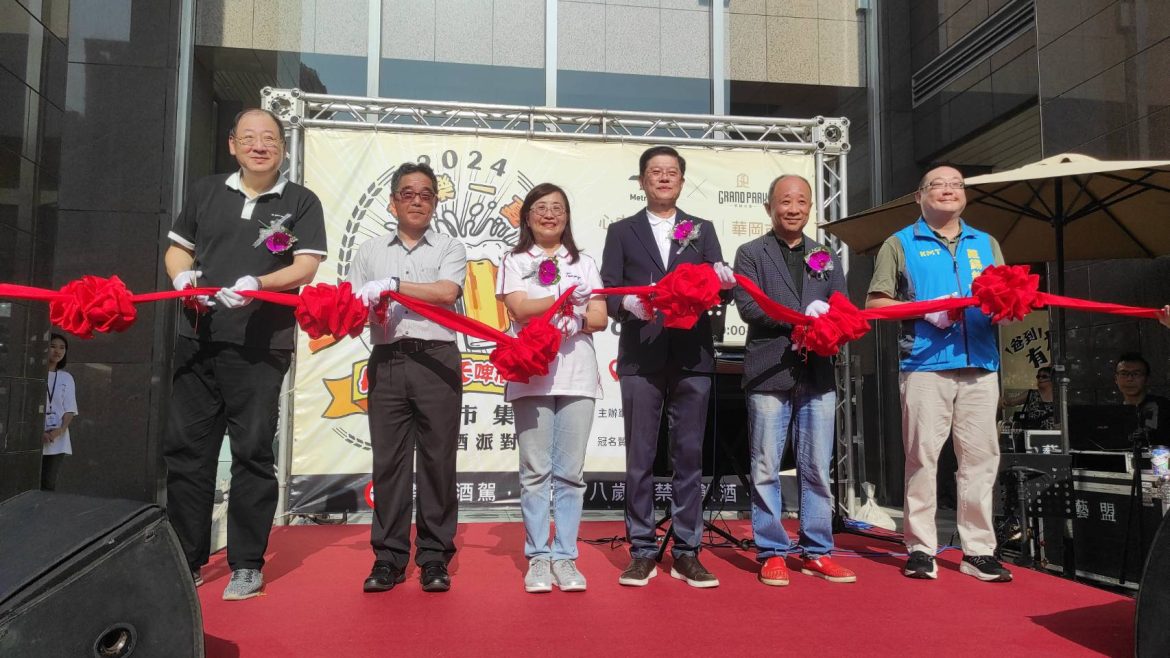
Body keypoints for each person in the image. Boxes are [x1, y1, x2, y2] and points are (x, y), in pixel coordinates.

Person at [163, 108, 327, 600]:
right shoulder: (206, 191)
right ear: (232, 144)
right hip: (198, 338)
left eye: (270, 138)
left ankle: (247, 563)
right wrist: (181, 277)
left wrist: (259, 283)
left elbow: (305, 266)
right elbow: (178, 248)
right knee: (188, 452)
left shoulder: (300, 201)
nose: (260, 146)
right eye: (250, 137)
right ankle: (186, 560)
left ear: (283, 148)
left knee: (252, 452)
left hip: (260, 345)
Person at [865, 164, 1012, 583]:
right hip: (925, 366)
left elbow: (1007, 295)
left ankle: (978, 551)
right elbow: (875, 303)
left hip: (980, 365)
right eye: (937, 185)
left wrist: (1006, 308)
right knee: (922, 459)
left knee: (980, 460)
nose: (948, 190)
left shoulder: (985, 243)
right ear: (919, 196)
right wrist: (926, 311)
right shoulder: (900, 243)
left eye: (956, 184)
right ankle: (920, 547)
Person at [600, 145, 737, 588]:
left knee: (688, 457)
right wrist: (627, 304)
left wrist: (725, 283)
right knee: (639, 457)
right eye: (655, 172)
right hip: (641, 354)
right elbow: (608, 288)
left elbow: (719, 287)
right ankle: (641, 550)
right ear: (642, 180)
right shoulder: (622, 231)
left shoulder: (702, 229)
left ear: (681, 180)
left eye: (671, 172)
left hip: (692, 355)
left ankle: (687, 551)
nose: (663, 178)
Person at [349, 161, 467, 594]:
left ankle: (434, 556)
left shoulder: (450, 247)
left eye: (425, 195)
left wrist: (394, 284)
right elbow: (354, 306)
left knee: (438, 462)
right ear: (392, 202)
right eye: (408, 193)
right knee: (389, 463)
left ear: (435, 203)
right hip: (388, 359)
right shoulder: (369, 251)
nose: (417, 201)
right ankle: (388, 558)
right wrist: (359, 305)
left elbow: (446, 292)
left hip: (437, 359)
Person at [732, 174, 855, 586]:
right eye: (785, 200)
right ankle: (772, 550)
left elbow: (841, 304)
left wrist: (829, 317)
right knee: (766, 465)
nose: (793, 208)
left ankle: (817, 550)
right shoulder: (751, 253)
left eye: (801, 201)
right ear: (769, 206)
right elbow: (749, 306)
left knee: (817, 465)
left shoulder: (825, 254)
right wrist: (801, 320)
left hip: (817, 372)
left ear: (810, 208)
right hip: (770, 369)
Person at [495, 183, 607, 593]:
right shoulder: (514, 259)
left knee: (570, 474)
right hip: (532, 375)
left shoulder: (583, 262)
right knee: (535, 472)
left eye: (557, 208)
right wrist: (563, 298)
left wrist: (577, 318)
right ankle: (538, 558)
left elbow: (600, 317)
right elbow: (520, 308)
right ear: (527, 216)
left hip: (577, 375)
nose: (549, 214)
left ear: (567, 217)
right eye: (541, 207)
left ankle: (565, 557)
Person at [41, 333, 78, 491]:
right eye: (53, 346)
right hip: (34, 436)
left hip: (57, 438)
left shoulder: (66, 378)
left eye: (62, 348)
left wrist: (60, 430)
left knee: (48, 484)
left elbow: (70, 409)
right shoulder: (33, 374)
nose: (58, 351)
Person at [1113, 353, 1170, 445]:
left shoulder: (1165, 407)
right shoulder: (1113, 413)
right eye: (1124, 374)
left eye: (1136, 374)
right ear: (1116, 379)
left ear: (1147, 379)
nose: (1130, 379)